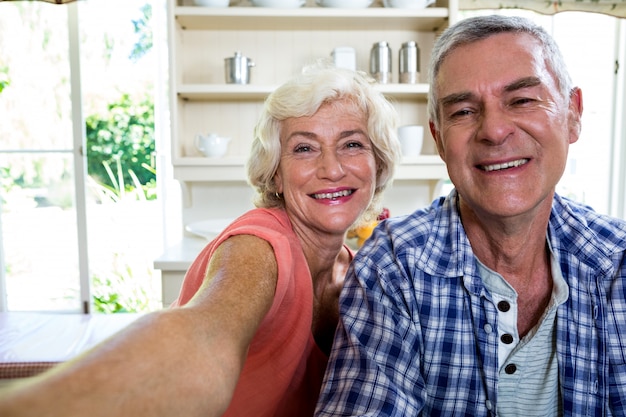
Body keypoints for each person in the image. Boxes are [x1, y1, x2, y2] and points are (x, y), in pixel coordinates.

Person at [0, 62, 401, 417]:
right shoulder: (260, 247)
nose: (331, 168)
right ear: (276, 174)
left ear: (377, 163)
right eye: (304, 148)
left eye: (351, 144)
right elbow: (200, 338)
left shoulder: (355, 272)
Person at [316, 14, 626, 417]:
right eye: (463, 111)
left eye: (521, 100)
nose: (494, 131)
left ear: (573, 113)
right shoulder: (392, 267)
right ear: (439, 139)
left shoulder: (619, 262)